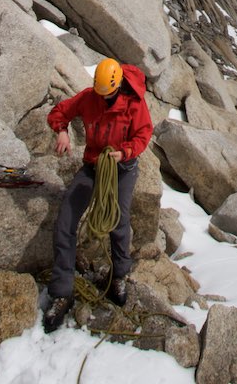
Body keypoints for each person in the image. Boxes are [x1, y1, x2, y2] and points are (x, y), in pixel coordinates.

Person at [43, 57, 153, 333]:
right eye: (100, 94)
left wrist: (124, 152)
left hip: (123, 168)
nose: (103, 100)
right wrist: (62, 132)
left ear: (117, 87)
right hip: (94, 166)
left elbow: (143, 134)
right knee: (66, 219)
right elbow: (59, 113)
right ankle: (62, 291)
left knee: (118, 222)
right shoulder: (90, 97)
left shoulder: (133, 104)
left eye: (108, 95)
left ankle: (119, 275)